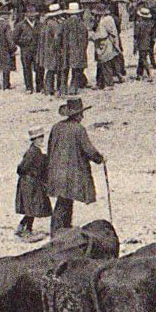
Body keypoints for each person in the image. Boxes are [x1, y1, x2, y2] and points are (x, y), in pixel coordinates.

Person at [45, 98, 106, 232]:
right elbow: (88, 149)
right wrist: (99, 158)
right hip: (72, 172)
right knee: (65, 201)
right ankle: (57, 230)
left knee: (65, 200)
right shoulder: (79, 129)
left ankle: (64, 228)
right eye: (81, 114)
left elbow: (50, 148)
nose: (82, 116)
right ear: (76, 115)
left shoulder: (56, 127)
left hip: (56, 170)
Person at [15, 128, 52, 240]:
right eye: (38, 138)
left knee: (32, 207)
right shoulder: (33, 152)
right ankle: (27, 230)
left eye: (42, 137)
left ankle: (22, 227)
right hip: (29, 183)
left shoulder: (36, 151)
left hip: (32, 182)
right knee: (32, 207)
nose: (41, 140)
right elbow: (21, 168)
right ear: (34, 139)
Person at [133, 5, 155, 80]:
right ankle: (139, 74)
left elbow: (136, 36)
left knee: (143, 59)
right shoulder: (150, 24)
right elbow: (152, 35)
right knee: (141, 58)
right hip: (148, 43)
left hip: (141, 44)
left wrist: (135, 47)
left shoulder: (139, 24)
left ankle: (150, 73)